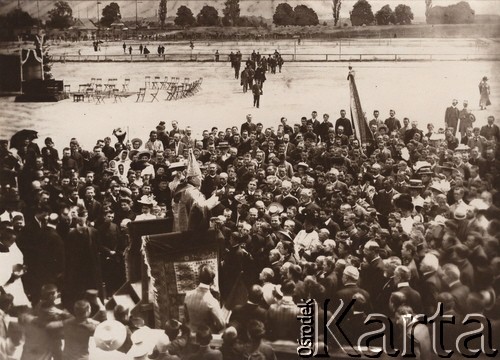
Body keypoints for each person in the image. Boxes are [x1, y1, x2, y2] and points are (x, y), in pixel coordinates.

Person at [183, 264, 225, 333]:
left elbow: (186, 318)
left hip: (191, 334)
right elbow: (221, 325)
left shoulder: (188, 295)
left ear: (198, 279)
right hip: (206, 337)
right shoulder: (212, 302)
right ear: (212, 281)